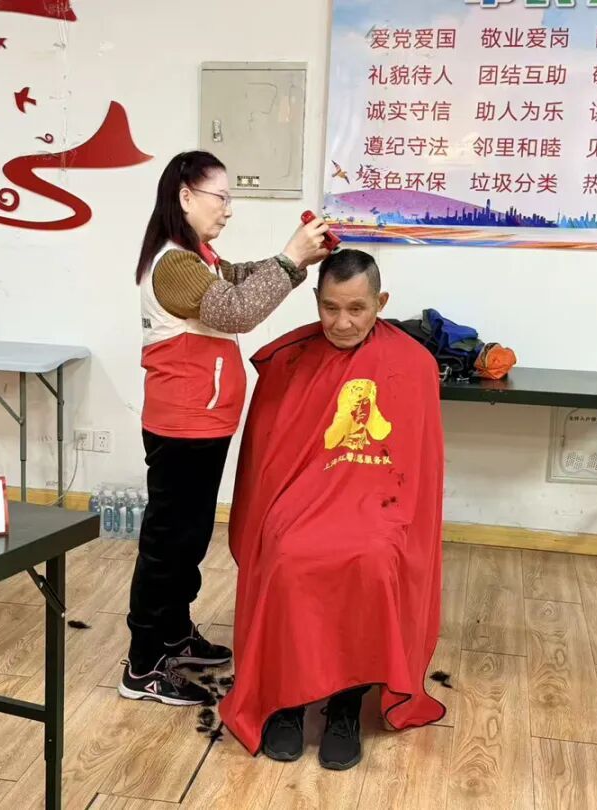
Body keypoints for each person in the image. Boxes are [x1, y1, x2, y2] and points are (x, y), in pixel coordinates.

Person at [219, 249, 445, 770]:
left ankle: (346, 702)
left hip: (379, 503)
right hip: (301, 499)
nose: (342, 323)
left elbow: (419, 468)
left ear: (381, 303)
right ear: (316, 300)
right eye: (330, 308)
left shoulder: (413, 364)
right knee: (287, 554)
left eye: (357, 309)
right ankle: (286, 700)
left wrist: (395, 520)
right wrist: (276, 514)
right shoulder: (291, 360)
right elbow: (268, 461)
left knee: (373, 559)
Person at [119, 150, 331, 706]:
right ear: (186, 197)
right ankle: (143, 664)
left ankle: (173, 634)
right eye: (222, 197)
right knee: (168, 543)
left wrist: (296, 257)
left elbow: (246, 279)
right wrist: (291, 257)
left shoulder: (202, 259)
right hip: (181, 426)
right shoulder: (174, 265)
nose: (229, 210)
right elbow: (237, 310)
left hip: (203, 423)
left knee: (188, 539)